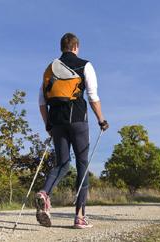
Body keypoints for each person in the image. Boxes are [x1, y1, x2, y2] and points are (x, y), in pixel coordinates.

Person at [36, 33, 109, 229]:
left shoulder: (49, 69)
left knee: (62, 164)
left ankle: (44, 193)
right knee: (82, 164)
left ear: (62, 47)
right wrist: (101, 119)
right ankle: (79, 216)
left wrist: (48, 124)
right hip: (77, 119)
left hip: (57, 122)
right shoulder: (85, 65)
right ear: (76, 47)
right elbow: (93, 96)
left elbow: (42, 102)